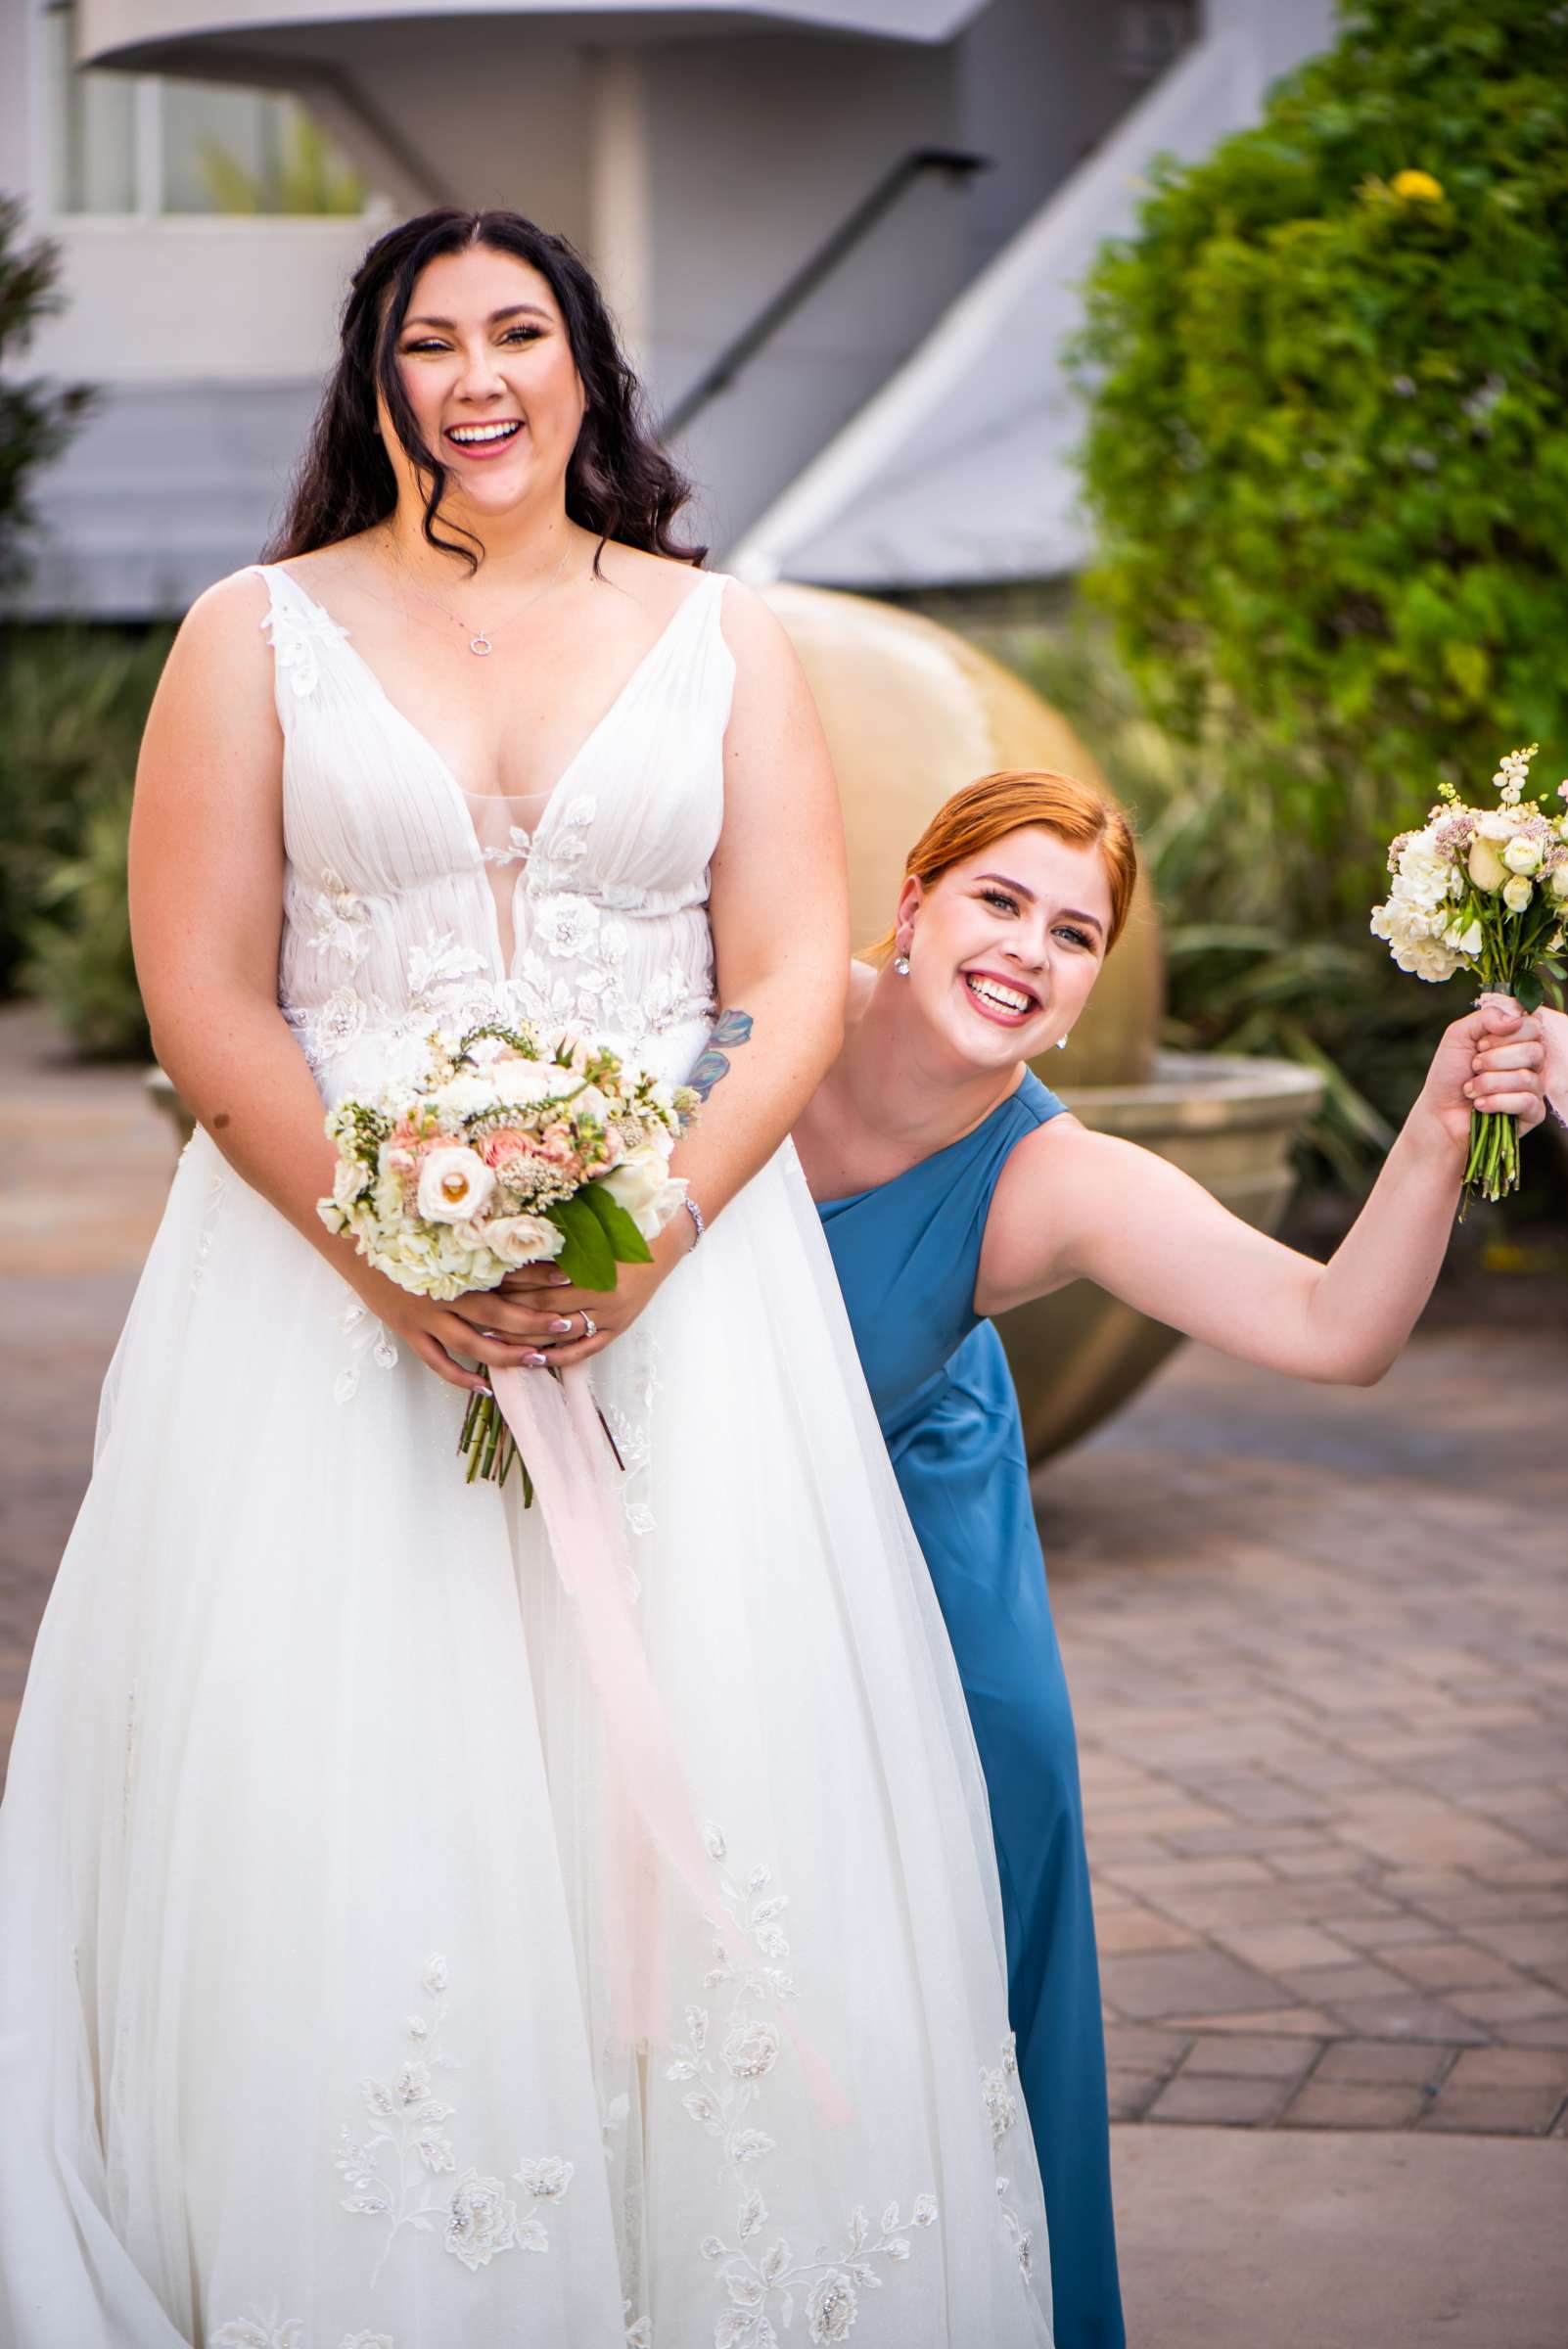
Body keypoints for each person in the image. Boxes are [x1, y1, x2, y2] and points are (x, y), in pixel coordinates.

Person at [0, 212, 1052, 2348]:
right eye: (429, 342)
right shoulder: (251, 629)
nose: (476, 375)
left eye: (519, 332)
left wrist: (650, 1234)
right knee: (349, 1786)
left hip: (674, 1293)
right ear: (379, 383)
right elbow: (202, 998)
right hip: (312, 1286)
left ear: (587, 368)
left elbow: (777, 979)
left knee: (681, 1761)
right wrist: (387, 1257)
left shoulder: (719, 634)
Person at [787, 768, 1551, 2349]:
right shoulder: (764, 1014)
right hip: (683, 1503)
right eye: (997, 900)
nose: (1025, 950)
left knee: (978, 1840)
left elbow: (1330, 1333)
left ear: (1079, 1000)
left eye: (1072, 935)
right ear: (912, 906)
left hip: (907, 1510)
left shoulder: (1056, 1179)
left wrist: (1431, 1117)